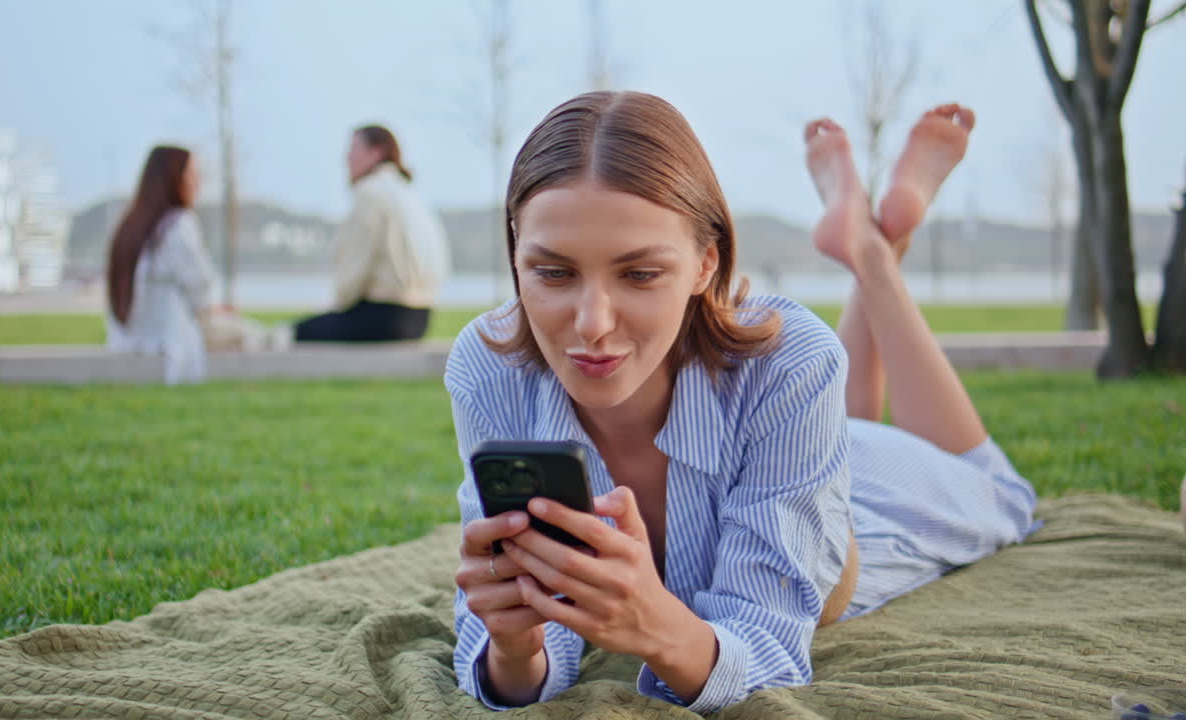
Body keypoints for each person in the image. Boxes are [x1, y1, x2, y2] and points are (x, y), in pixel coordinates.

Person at [445, 92, 1040, 714]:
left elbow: (770, 647)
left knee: (998, 490)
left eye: (640, 274)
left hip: (868, 491)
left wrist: (657, 626)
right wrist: (515, 650)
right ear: (516, 252)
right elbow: (514, 644)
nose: (592, 324)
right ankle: (871, 233)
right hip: (786, 444)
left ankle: (872, 254)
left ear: (708, 262)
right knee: (848, 411)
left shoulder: (789, 361)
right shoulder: (489, 368)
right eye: (554, 273)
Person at [105, 145, 273, 384]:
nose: (198, 182)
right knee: (252, 333)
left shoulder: (128, 227)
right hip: (172, 338)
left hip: (128, 337)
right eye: (192, 174)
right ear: (174, 179)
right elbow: (200, 285)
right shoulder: (178, 224)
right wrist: (211, 309)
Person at [292, 125, 450, 342]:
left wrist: (333, 310)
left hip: (384, 318)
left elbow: (352, 274)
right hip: (421, 319)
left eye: (353, 148)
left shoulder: (370, 194)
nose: (346, 158)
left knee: (293, 333)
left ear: (376, 152)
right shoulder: (410, 193)